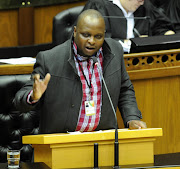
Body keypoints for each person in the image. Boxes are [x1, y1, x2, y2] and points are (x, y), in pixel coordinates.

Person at [14, 9, 146, 134]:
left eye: (98, 36)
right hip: (61, 144)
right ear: (75, 31)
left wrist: (132, 118)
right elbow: (19, 101)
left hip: (104, 140)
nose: (92, 41)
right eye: (86, 35)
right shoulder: (50, 59)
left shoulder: (114, 51)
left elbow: (125, 89)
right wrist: (33, 96)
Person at [82, 0, 175, 53]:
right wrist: (133, 43)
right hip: (111, 62)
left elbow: (159, 26)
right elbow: (96, 41)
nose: (142, 3)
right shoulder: (98, 6)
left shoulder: (144, 6)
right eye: (139, 0)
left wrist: (167, 34)